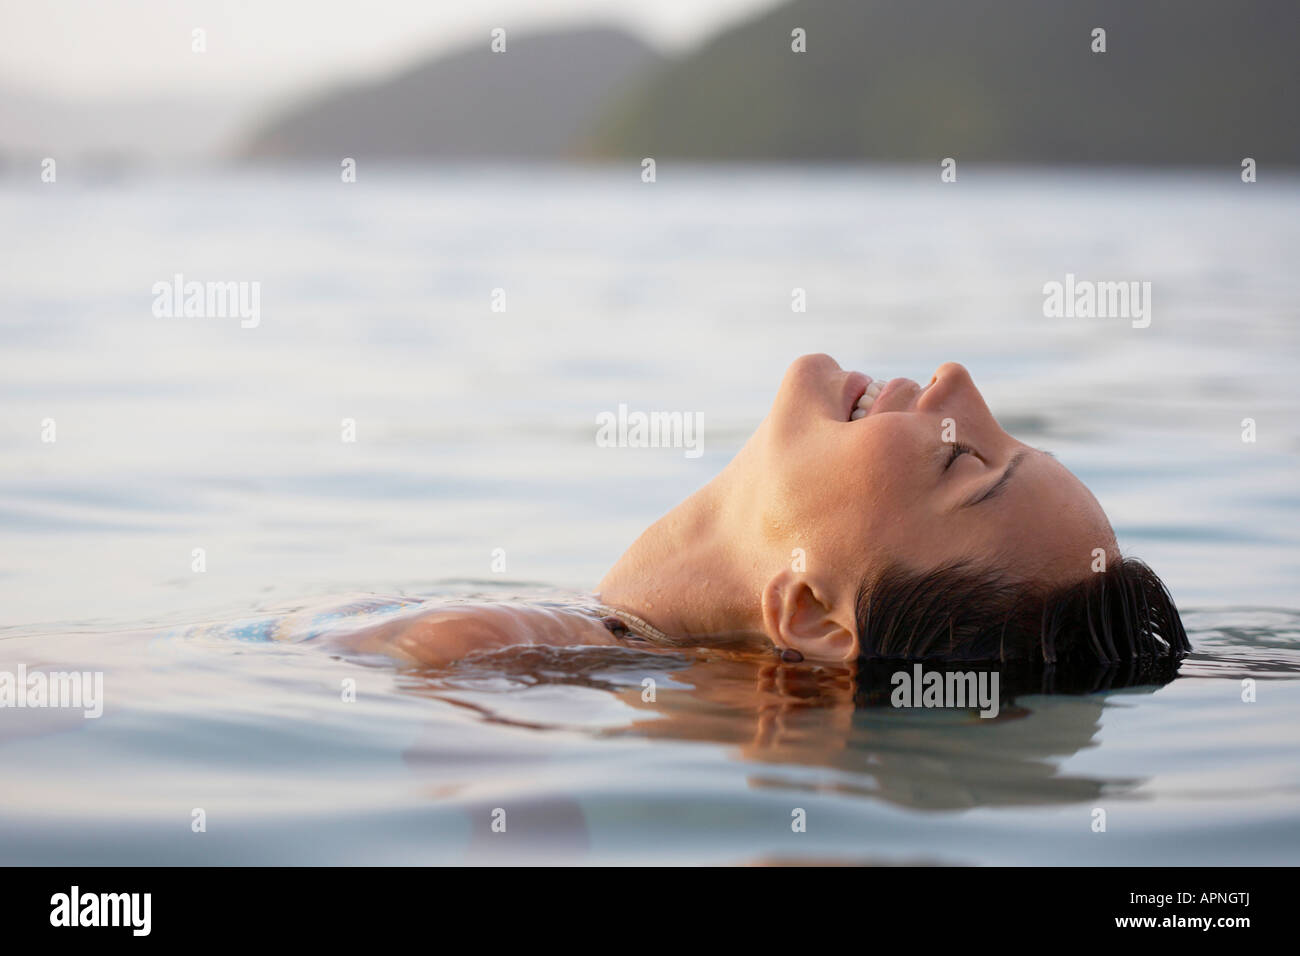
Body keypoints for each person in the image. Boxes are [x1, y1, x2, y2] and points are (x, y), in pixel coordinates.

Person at [328, 354, 1189, 674]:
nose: (956, 382)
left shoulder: (479, 648)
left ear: (811, 612)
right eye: (1012, 436)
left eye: (965, 456)